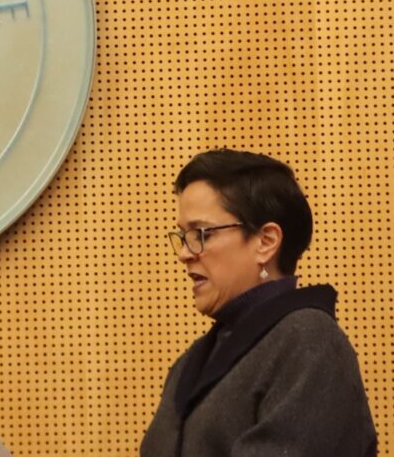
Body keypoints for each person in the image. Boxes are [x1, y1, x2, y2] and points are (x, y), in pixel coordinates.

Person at [140, 149, 377, 456]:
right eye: (182, 236)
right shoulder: (193, 359)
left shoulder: (309, 340)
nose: (185, 253)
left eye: (200, 233)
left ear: (266, 242)